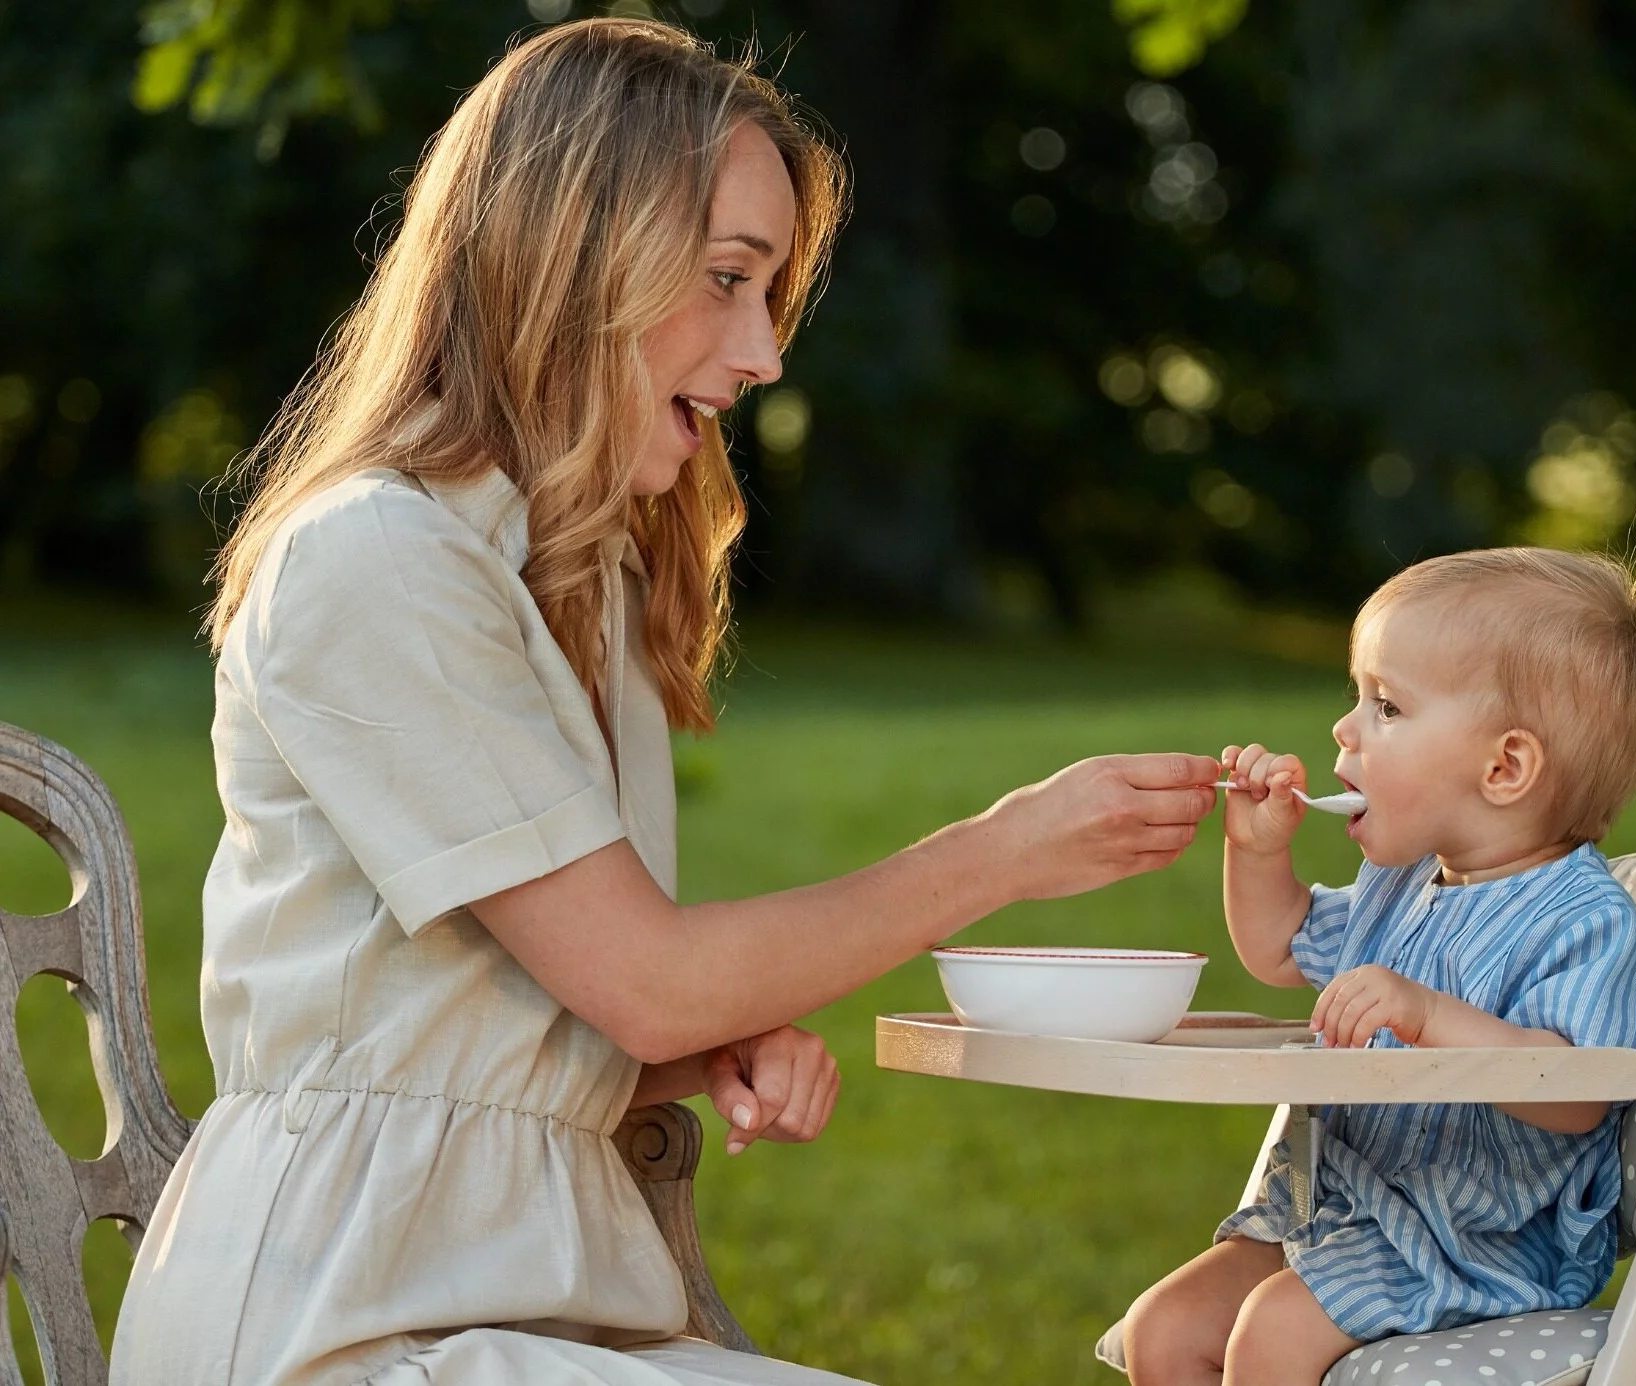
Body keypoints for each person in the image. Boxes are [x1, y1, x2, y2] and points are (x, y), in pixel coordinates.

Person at [108, 18, 1223, 1386]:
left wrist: (692, 1056)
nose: (761, 354)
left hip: (527, 1311)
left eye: (770, 295)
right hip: (337, 1325)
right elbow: (644, 981)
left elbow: (507, 1026)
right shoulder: (374, 558)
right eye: (728, 280)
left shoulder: (583, 587)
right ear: (570, 257)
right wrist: (1001, 851)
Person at [1119, 548, 1636, 1386]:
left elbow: (1578, 1092)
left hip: (1472, 1245)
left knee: (1270, 1333)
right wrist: (1258, 854)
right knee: (1165, 1328)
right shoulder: (1401, 881)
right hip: (1336, 1211)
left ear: (1505, 768)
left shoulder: (1586, 924)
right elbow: (1277, 949)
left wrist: (1428, 1016)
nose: (1345, 729)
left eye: (1386, 706)